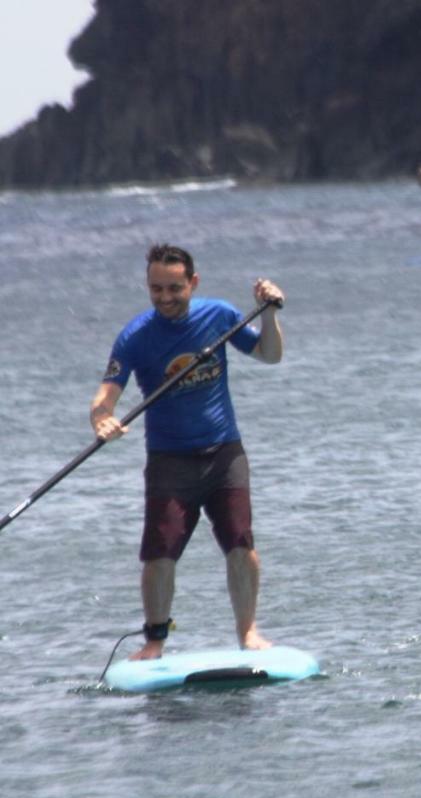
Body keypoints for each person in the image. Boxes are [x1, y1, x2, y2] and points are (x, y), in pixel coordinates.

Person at [90, 244, 285, 660]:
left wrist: (267, 313)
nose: (164, 297)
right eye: (155, 289)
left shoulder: (220, 316)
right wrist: (101, 419)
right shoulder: (136, 337)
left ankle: (248, 632)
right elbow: (105, 397)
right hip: (169, 460)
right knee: (159, 553)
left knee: (241, 544)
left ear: (193, 283)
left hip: (224, 454)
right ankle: (155, 640)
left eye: (174, 288)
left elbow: (270, 355)